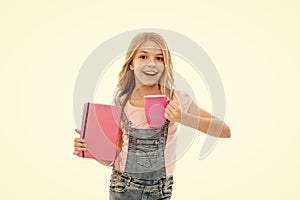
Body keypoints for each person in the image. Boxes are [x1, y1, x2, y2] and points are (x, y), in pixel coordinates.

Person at [73, 32, 231, 199]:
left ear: (166, 65)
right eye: (143, 56)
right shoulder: (121, 101)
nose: (152, 63)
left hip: (160, 191)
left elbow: (225, 131)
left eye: (159, 58)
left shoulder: (177, 99)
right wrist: (92, 149)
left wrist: (182, 117)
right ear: (131, 64)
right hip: (122, 187)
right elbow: (114, 158)